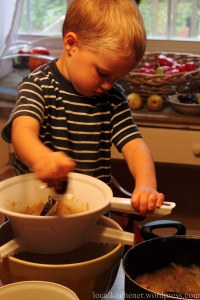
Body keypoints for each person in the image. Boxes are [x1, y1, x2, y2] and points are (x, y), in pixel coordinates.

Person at [2, 0, 164, 215]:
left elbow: (135, 146)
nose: (108, 84)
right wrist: (41, 158)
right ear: (71, 44)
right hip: (36, 209)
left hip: (91, 211)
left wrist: (146, 184)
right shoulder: (39, 85)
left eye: (116, 77)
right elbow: (22, 131)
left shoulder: (112, 98)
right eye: (103, 73)